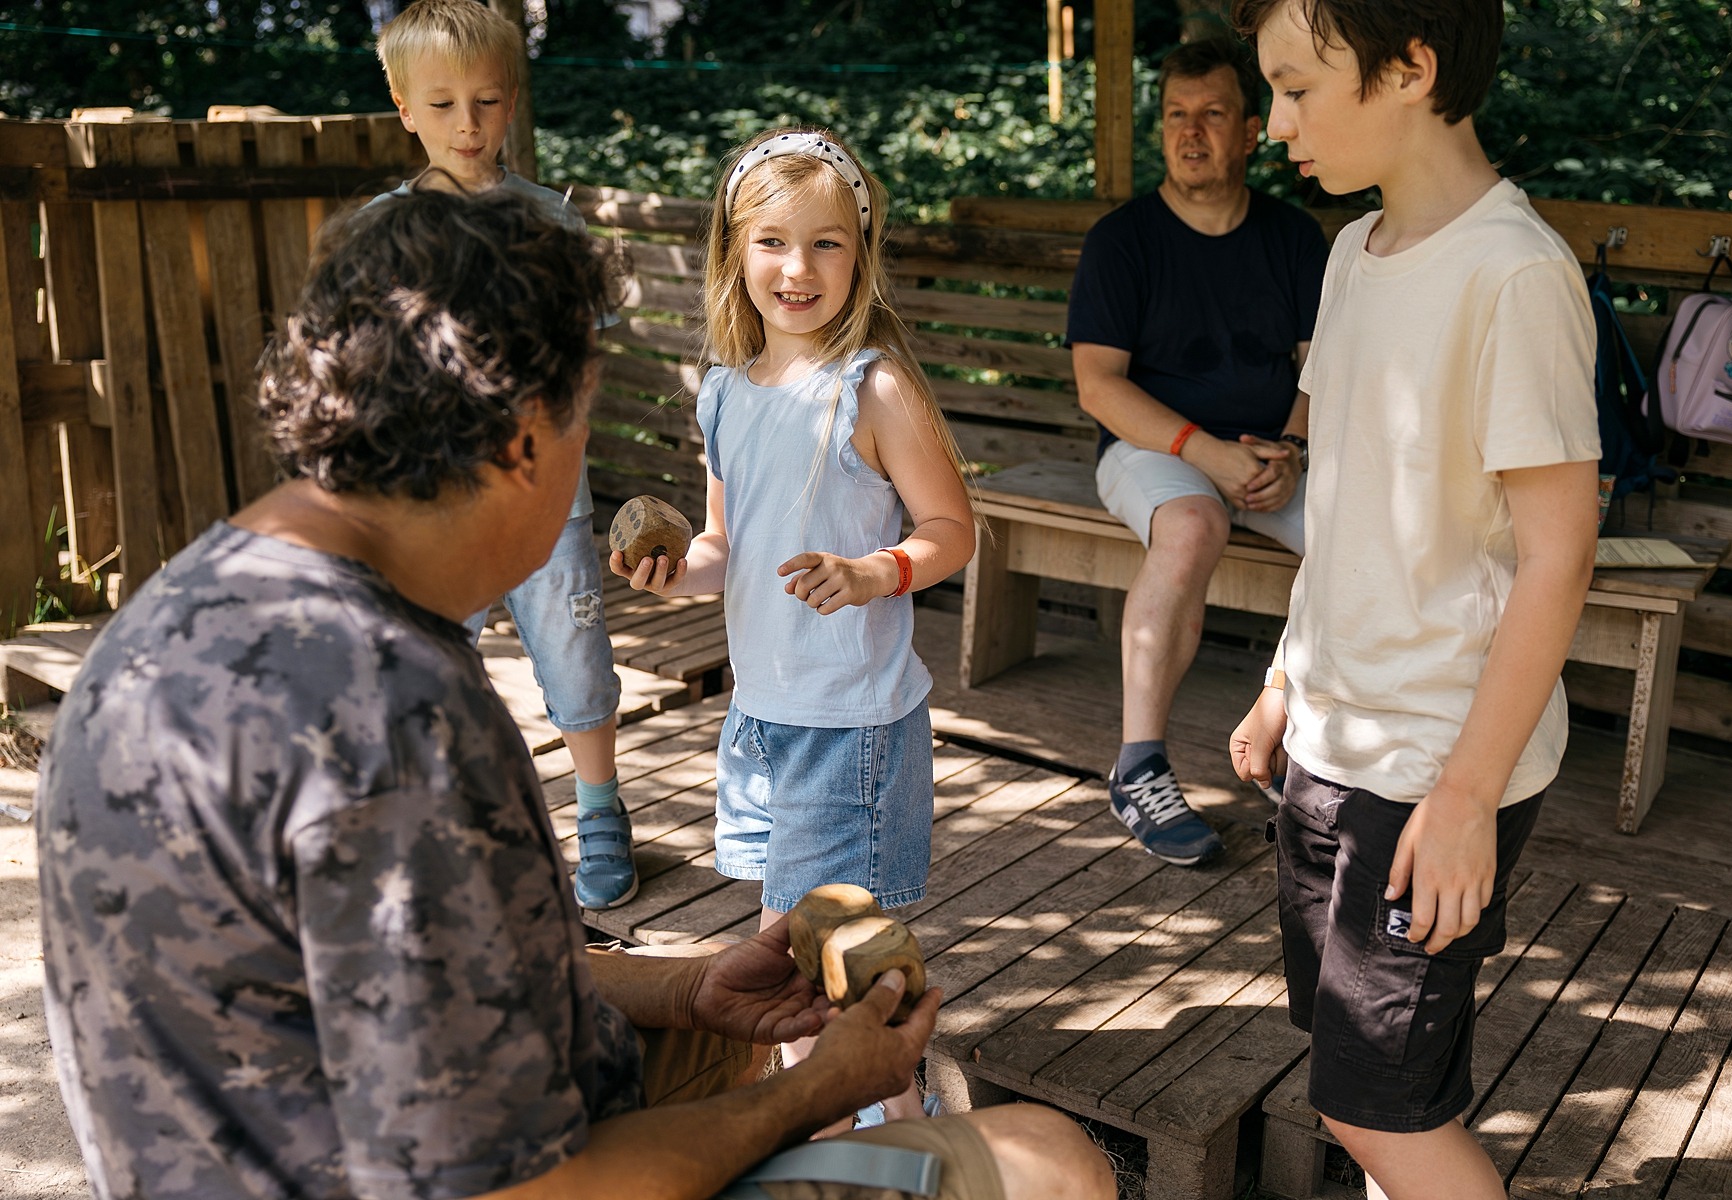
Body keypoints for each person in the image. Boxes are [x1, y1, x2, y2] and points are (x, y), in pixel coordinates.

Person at [36, 187, 1115, 1200]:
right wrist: (811, 1093)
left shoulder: (183, 608)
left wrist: (682, 991)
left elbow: (419, 987)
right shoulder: (395, 717)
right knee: (1051, 1161)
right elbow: (532, 1189)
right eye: (583, 428)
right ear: (522, 443)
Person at [1225, 1, 1601, 1197]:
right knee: (1365, 1089)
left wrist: (1469, 797)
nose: (1270, 124)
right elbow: (1343, 499)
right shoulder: (1352, 252)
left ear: (1411, 69)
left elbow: (1559, 555)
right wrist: (1289, 673)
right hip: (1330, 745)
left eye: (1295, 88)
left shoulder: (1518, 273)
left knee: (1379, 1113)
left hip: (1435, 771)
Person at [615, 127, 978, 1127]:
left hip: (850, 726)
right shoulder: (725, 391)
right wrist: (667, 571)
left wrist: (874, 572)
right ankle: (886, 1118)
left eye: (827, 243)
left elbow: (952, 530)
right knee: (820, 956)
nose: (798, 267)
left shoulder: (874, 386)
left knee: (806, 950)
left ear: (861, 253)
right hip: (762, 720)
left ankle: (874, 1127)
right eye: (773, 241)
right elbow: (726, 551)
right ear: (735, 251)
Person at [372, 0, 638, 910]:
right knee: (432, 660)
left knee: (574, 651)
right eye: (443, 106)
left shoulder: (550, 226)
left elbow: (585, 357)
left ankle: (600, 812)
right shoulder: (387, 233)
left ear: (512, 100)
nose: (469, 125)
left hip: (543, 500)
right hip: (438, 502)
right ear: (404, 106)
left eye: (486, 102)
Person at [1066, 38, 1328, 867]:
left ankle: (1322, 759)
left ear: (1251, 130)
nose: (1191, 132)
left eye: (1212, 114)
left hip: (1270, 456)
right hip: (1156, 453)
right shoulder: (1124, 241)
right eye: (1176, 116)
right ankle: (1139, 766)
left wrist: (1292, 445)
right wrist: (1206, 453)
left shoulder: (1293, 238)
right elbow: (1099, 387)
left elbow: (1324, 366)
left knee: (1364, 539)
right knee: (1189, 527)